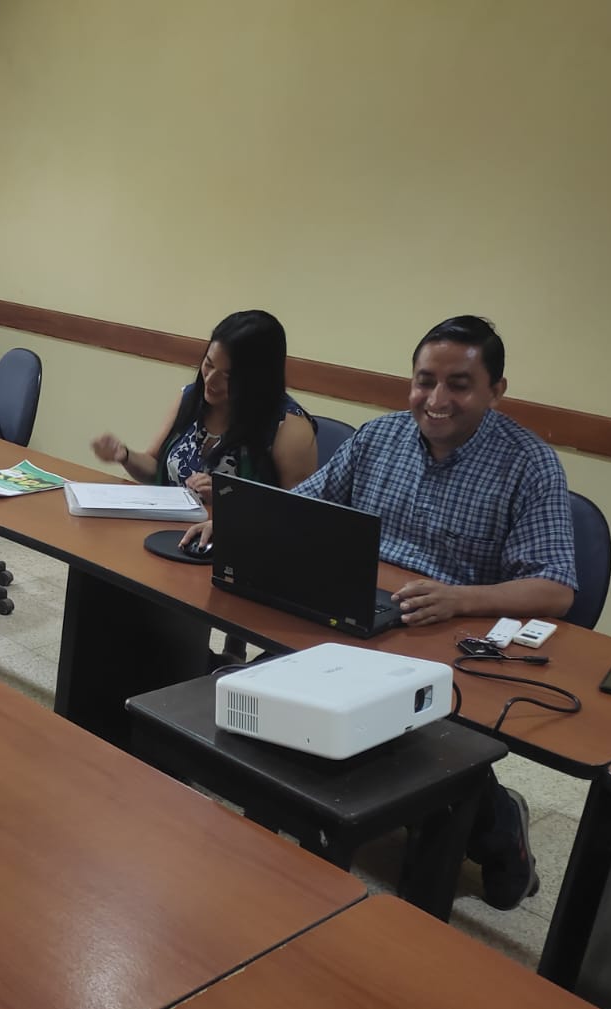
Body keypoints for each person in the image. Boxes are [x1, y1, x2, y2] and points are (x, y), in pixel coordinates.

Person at [184, 315, 576, 910]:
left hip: (448, 635)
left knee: (427, 748)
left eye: (459, 384)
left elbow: (555, 588)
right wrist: (237, 522)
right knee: (253, 704)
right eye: (424, 381)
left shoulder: (529, 464)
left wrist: (460, 597)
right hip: (359, 612)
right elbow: (304, 505)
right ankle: (274, 860)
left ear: (496, 390)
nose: (436, 399)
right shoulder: (380, 437)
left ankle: (494, 823)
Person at [91, 310, 317, 502]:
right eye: (208, 365)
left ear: (259, 379)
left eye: (228, 376)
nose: (210, 381)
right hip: (168, 527)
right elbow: (154, 468)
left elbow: (295, 513)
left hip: (234, 538)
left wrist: (227, 494)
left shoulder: (289, 426)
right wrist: (125, 455)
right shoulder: (191, 397)